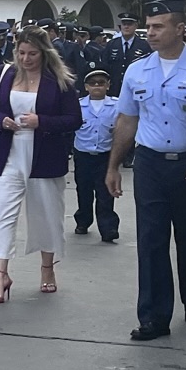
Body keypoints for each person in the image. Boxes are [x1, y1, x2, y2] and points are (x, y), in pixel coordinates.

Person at [107, 0, 186, 340]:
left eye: (158, 26)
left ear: (180, 29)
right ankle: (153, 317)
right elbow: (126, 119)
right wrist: (114, 165)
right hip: (149, 164)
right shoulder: (137, 70)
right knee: (151, 241)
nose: (150, 32)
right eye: (148, 26)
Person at [0, 25, 81, 302]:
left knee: (46, 214)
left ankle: (47, 268)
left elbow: (74, 119)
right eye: (21, 53)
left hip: (44, 155)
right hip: (8, 153)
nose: (25, 59)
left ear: (44, 53)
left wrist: (42, 122)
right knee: (4, 214)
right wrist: (0, 120)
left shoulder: (60, 81)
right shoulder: (2, 74)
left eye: (32, 54)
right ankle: (0, 274)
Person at [71, 68, 118, 243]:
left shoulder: (116, 105)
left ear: (108, 85)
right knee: (83, 190)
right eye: (93, 83)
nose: (97, 86)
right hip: (83, 154)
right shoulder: (78, 105)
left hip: (105, 155)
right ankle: (83, 221)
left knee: (105, 192)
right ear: (86, 87)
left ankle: (108, 228)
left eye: (101, 82)